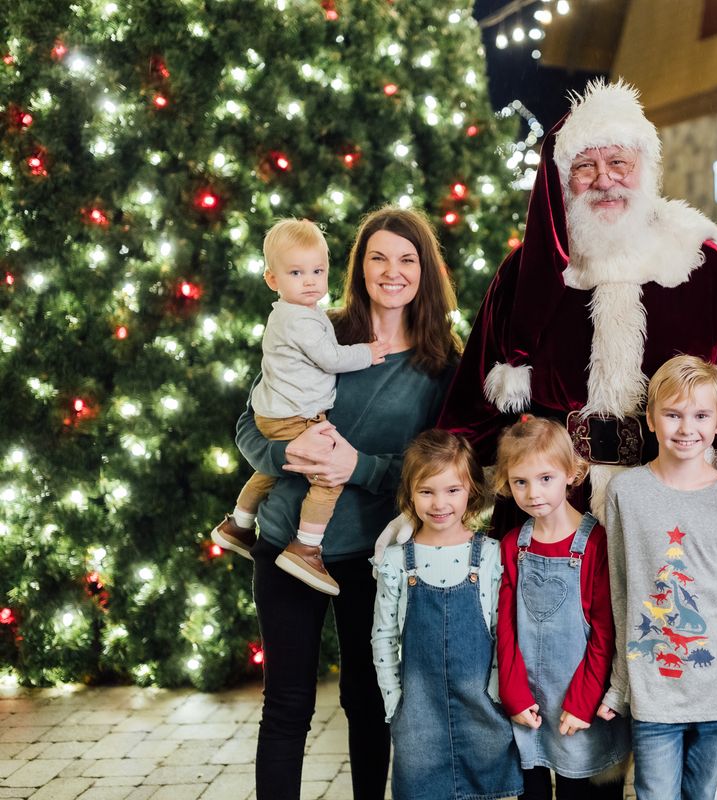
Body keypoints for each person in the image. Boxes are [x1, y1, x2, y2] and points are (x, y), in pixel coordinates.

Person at [437, 79, 717, 535]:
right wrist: (433, 502)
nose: (604, 179)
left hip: (671, 507)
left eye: (618, 162)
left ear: (646, 167)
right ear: (564, 178)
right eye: (585, 166)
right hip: (552, 509)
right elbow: (473, 406)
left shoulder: (699, 267)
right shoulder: (529, 273)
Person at [233, 206, 460, 799]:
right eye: (377, 257)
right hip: (286, 543)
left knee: (368, 700)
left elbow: (439, 474)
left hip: (370, 553)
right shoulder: (315, 328)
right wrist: (290, 456)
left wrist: (355, 466)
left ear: (425, 272)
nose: (391, 272)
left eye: (407, 259)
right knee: (287, 704)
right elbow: (249, 426)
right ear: (357, 269)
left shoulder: (442, 367)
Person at [599, 355, 717, 800]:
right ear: (652, 420)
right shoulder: (625, 492)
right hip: (654, 689)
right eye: (673, 414)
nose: (686, 428)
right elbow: (621, 589)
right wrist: (620, 684)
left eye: (700, 415)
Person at [212, 218, 388, 595]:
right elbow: (330, 358)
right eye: (296, 272)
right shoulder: (299, 321)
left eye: (318, 271)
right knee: (326, 475)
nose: (310, 281)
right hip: (294, 417)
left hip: (276, 413)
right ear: (272, 280)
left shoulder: (297, 313)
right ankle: (306, 547)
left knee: (277, 471)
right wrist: (367, 353)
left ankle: (238, 523)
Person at [372, 430, 523, 800]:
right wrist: (395, 704)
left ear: (471, 489)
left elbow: (501, 630)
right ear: (409, 493)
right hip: (417, 717)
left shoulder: (488, 555)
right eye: (427, 491)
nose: (440, 503)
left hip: (482, 712)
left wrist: (496, 695)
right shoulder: (396, 560)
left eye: (452, 490)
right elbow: (384, 636)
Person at [493, 416, 631, 799]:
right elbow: (504, 629)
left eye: (545, 478)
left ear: (572, 473)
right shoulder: (511, 546)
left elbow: (607, 631)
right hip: (530, 708)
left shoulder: (596, 542)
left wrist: (583, 703)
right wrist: (514, 695)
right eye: (520, 481)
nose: (533, 492)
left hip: (581, 706)